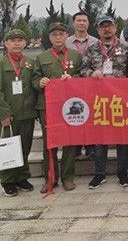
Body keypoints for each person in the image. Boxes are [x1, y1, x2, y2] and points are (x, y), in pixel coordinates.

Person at [80, 15, 128, 189]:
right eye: (103, 27)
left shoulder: (126, 47)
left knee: (122, 137)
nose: (106, 29)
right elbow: (83, 69)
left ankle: (122, 172)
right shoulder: (92, 49)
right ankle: (99, 173)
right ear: (98, 30)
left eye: (109, 26)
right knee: (100, 137)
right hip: (99, 100)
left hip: (121, 100)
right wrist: (91, 73)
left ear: (115, 28)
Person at [32, 22, 82, 193]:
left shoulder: (76, 56)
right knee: (50, 143)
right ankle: (50, 178)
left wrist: (73, 78)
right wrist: (40, 82)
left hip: (70, 106)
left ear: (66, 36)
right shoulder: (42, 57)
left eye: (61, 34)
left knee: (69, 142)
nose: (58, 38)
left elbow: (83, 78)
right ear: (50, 37)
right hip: (47, 106)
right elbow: (34, 79)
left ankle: (68, 178)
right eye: (54, 35)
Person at [0, 29, 37, 197]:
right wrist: (3, 114)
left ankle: (22, 177)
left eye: (20, 40)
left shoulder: (30, 63)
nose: (16, 43)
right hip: (8, 115)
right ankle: (8, 181)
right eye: (12, 40)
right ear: (6, 43)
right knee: (7, 148)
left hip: (27, 113)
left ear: (25, 43)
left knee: (24, 147)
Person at [66, 11, 99, 160]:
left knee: (91, 115)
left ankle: (91, 146)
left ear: (88, 23)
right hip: (72, 85)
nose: (81, 23)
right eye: (78, 20)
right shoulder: (66, 42)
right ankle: (77, 146)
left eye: (84, 20)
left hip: (91, 84)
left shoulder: (95, 42)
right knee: (76, 115)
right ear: (73, 23)